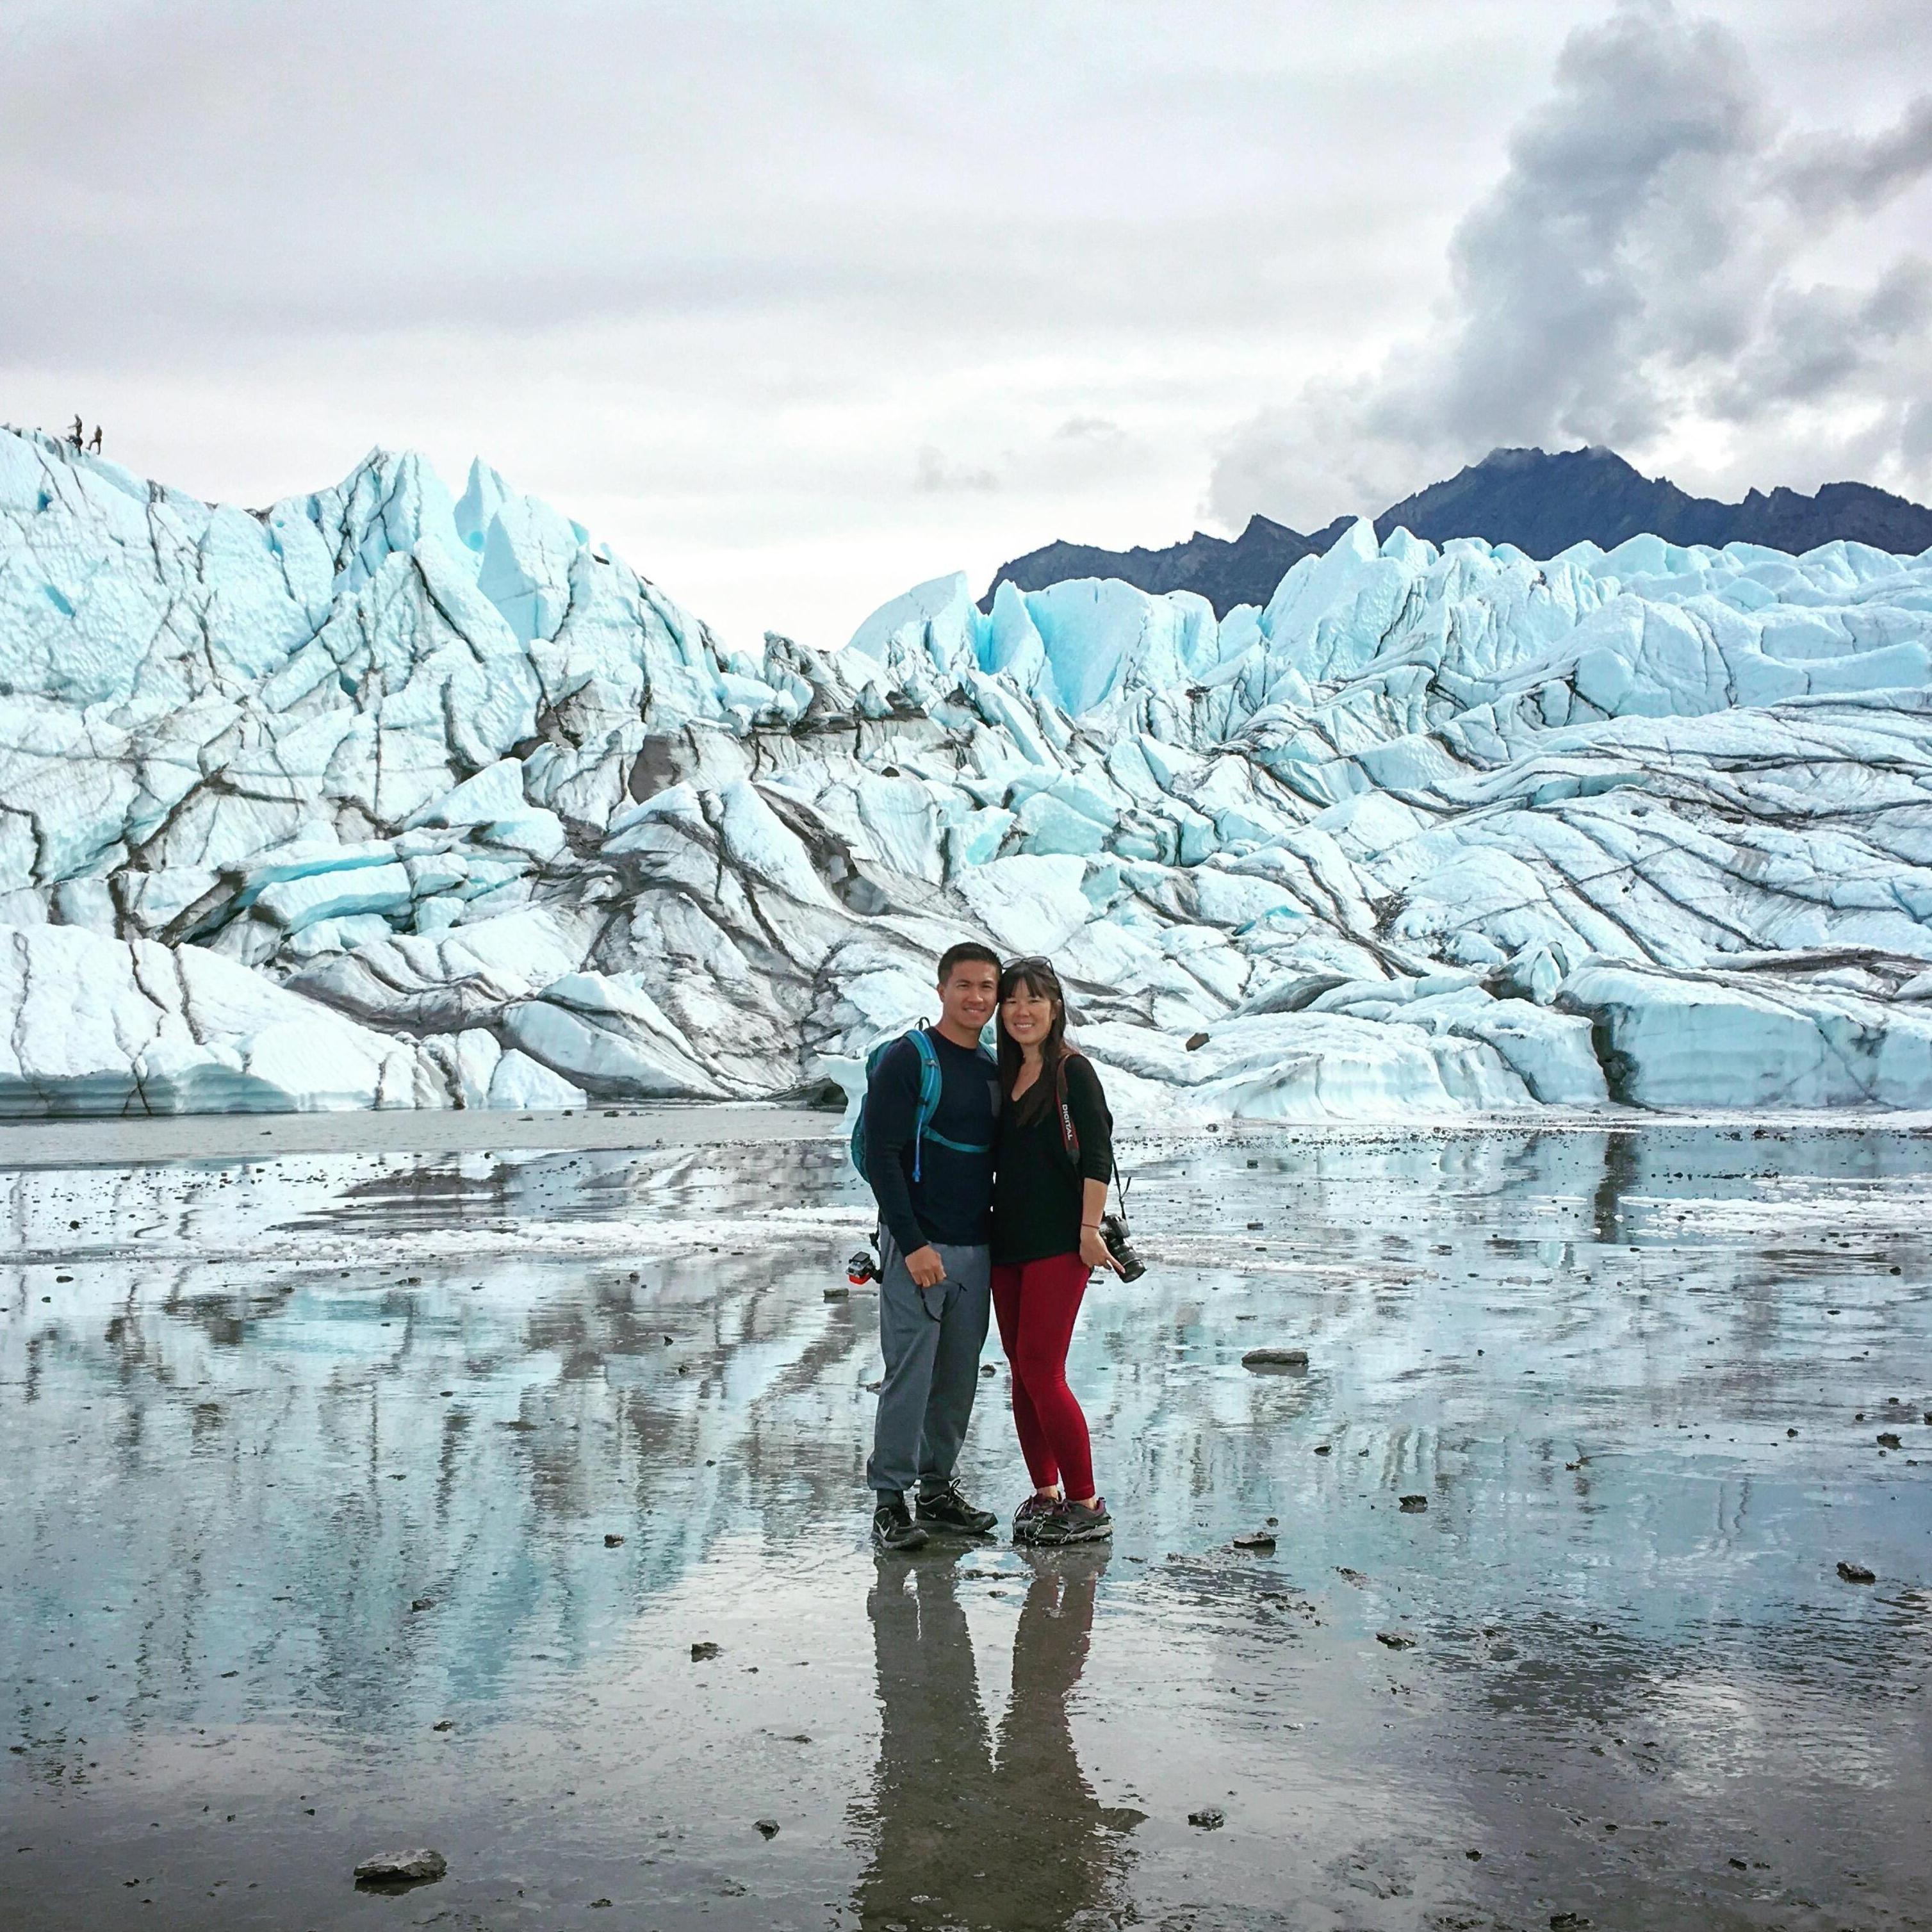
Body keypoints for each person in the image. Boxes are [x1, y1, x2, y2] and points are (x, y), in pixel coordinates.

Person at [861, 942, 1004, 1553]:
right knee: (909, 1375)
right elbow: (882, 1156)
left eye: (988, 988)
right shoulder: (909, 1059)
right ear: (942, 988)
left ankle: (937, 1490)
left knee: (956, 1378)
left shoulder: (995, 1070)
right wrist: (913, 1243)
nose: (977, 998)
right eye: (965, 985)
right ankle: (890, 1502)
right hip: (917, 1245)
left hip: (975, 1246)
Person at [990, 956, 1120, 1545]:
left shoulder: (1074, 1072)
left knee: (1044, 1370)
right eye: (1012, 1001)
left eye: (1033, 1000)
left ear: (1056, 1007)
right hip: (1007, 1242)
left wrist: (1089, 1230)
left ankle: (1086, 1503)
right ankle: (1046, 1494)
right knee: (1022, 1372)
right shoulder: (1004, 1072)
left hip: (1058, 1245)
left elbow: (1097, 1155)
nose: (1022, 1011)